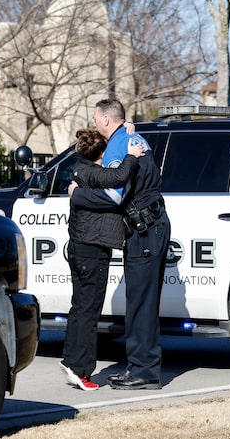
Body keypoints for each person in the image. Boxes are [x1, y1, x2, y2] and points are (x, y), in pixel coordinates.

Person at [71, 98, 171, 390]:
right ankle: (143, 367)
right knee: (145, 301)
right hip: (153, 224)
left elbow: (114, 197)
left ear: (105, 119)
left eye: (94, 119)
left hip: (144, 230)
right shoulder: (132, 136)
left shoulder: (117, 144)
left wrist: (77, 194)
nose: (92, 124)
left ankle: (143, 371)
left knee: (140, 301)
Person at [59, 128, 144, 391]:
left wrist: (127, 128)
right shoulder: (93, 172)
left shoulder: (81, 169)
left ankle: (72, 361)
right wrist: (131, 155)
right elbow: (118, 176)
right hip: (91, 248)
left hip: (82, 247)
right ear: (102, 154)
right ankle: (81, 370)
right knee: (89, 310)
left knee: (80, 306)